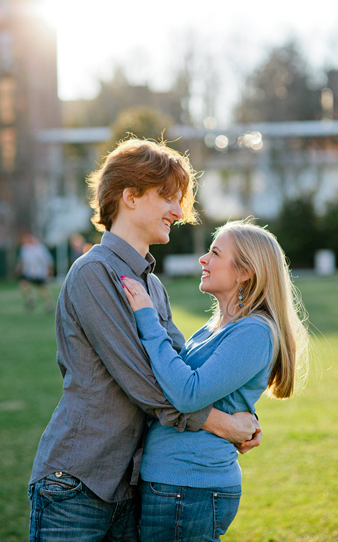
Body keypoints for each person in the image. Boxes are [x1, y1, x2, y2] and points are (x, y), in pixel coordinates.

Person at [28, 139, 260, 542]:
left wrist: (240, 409)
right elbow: (145, 384)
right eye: (168, 198)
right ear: (130, 196)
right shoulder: (93, 273)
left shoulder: (151, 286)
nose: (178, 211)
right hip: (77, 482)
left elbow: (180, 374)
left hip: (131, 485)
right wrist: (223, 425)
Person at [122, 220, 308, 540]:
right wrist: (237, 423)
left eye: (215, 253)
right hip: (174, 483)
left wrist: (146, 317)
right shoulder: (214, 327)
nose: (203, 260)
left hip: (190, 487)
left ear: (244, 272)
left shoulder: (254, 331)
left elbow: (187, 393)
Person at [16, 234, 54, 312]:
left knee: (41, 288)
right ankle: (31, 299)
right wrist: (19, 268)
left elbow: (48, 260)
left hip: (39, 272)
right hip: (28, 271)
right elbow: (22, 260)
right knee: (23, 284)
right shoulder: (25, 249)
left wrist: (49, 270)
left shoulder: (40, 248)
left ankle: (49, 303)